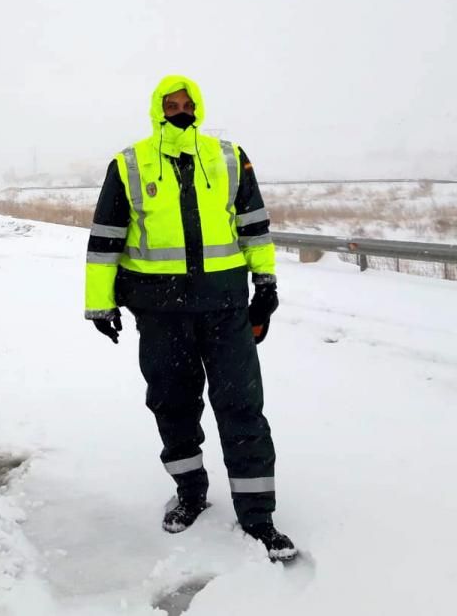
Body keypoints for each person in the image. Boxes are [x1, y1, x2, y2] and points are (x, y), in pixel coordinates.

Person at [83, 74, 296, 561]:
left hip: (224, 307)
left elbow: (254, 227)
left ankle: (259, 519)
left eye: (187, 102)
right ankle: (191, 493)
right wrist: (100, 303)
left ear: (198, 105)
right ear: (157, 109)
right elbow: (105, 240)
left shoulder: (228, 158)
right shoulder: (129, 163)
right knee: (172, 405)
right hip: (160, 313)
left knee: (243, 407)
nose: (180, 110)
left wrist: (265, 284)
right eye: (171, 104)